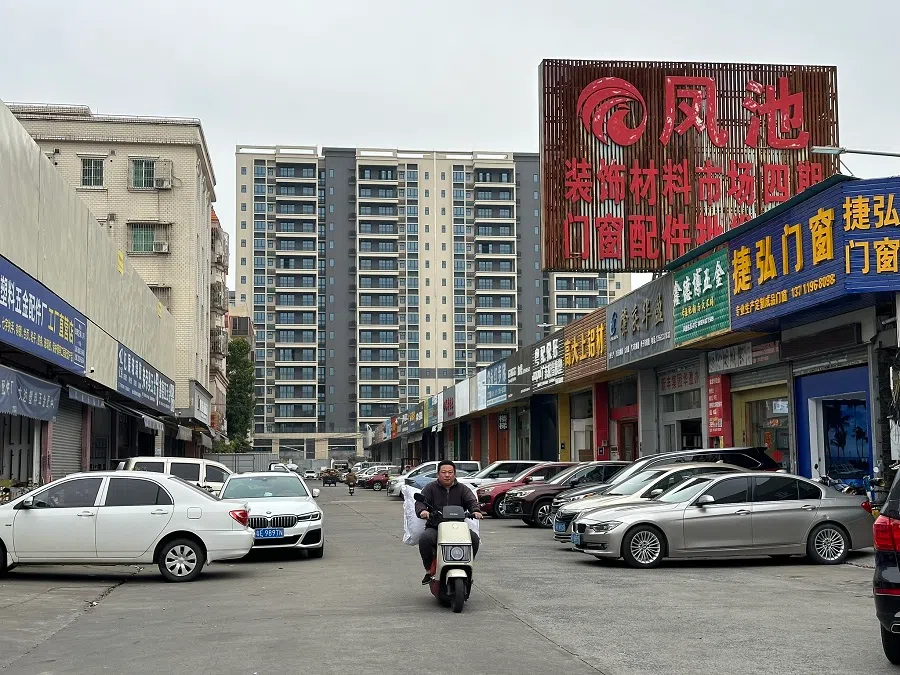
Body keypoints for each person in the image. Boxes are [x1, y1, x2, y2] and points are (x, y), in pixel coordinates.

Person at [414, 460, 483, 584]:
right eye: (444, 472)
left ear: (454, 474)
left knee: (474, 539)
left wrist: (476, 511)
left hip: (458, 528)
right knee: (424, 539)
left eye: (450, 472)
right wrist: (423, 511)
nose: (447, 475)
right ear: (438, 474)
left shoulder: (463, 489)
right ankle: (429, 571)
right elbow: (420, 502)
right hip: (436, 527)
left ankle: (467, 567)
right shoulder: (430, 488)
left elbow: (472, 501)